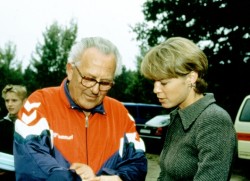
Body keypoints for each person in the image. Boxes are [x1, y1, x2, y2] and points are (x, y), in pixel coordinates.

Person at [14, 37, 147, 181]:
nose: (95, 90)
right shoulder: (40, 104)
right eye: (89, 79)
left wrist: (113, 178)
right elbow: (33, 166)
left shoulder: (121, 114)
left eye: (105, 83)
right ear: (70, 70)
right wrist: (78, 179)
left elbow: (138, 164)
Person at [140, 37, 236, 181]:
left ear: (191, 77)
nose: (156, 89)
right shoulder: (178, 117)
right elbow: (166, 175)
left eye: (164, 83)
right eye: (154, 82)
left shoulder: (214, 120)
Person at [0, 84, 27, 180]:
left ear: (24, 102)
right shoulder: (2, 125)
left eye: (14, 100)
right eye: (7, 101)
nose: (9, 104)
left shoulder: (33, 125)